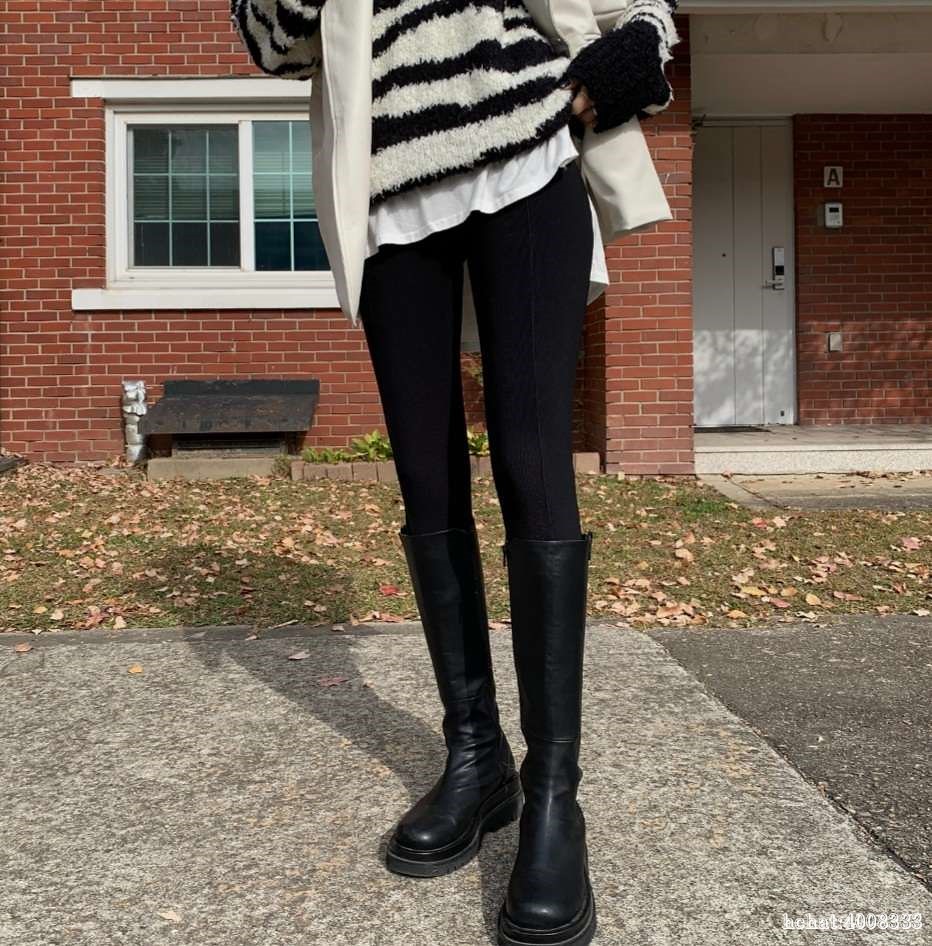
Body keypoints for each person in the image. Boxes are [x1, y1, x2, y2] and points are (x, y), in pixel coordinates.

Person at [231, 2, 680, 944]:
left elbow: (642, 9)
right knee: (426, 477)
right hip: (390, 188)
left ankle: (553, 792)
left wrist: (626, 57)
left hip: (527, 157)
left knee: (533, 466)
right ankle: (478, 757)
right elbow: (274, 42)